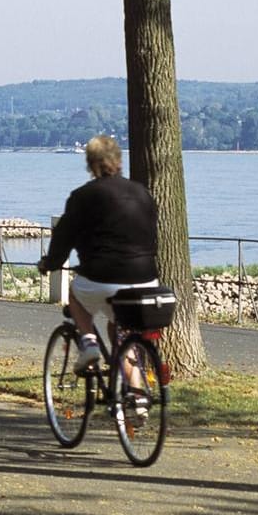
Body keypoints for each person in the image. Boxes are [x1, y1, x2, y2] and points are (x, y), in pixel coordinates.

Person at [37, 135, 159, 378]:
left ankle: (90, 344)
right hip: (146, 279)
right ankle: (137, 398)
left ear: (90, 163)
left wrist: (49, 263)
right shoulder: (142, 193)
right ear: (119, 160)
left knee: (75, 294)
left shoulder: (82, 196)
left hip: (103, 278)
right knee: (120, 331)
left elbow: (63, 238)